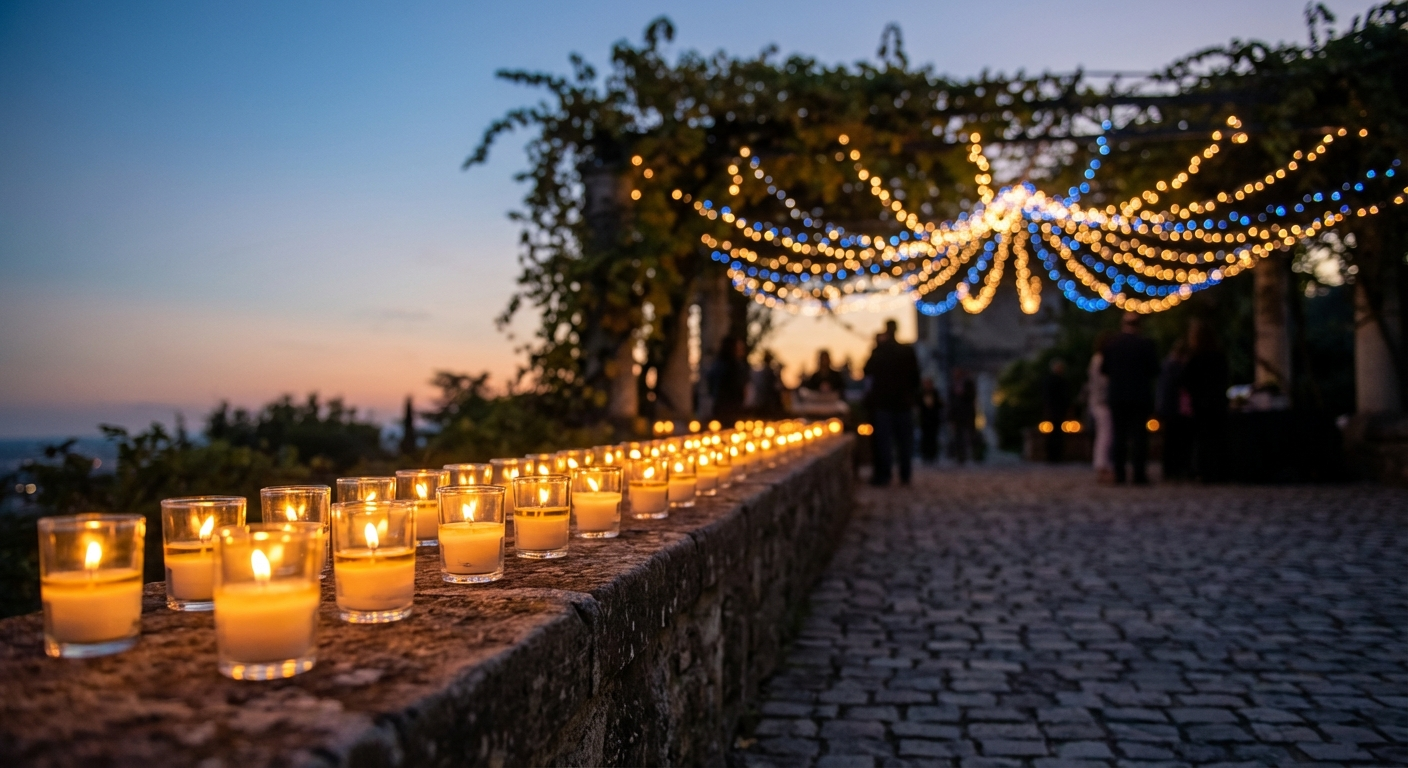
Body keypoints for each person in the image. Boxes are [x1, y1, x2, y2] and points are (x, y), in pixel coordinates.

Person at [1100, 312, 1160, 484]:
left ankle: (1119, 474)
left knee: (1119, 435)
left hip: (1118, 396)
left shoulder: (1112, 344)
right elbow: (1154, 369)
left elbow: (1104, 369)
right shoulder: (1145, 344)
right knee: (1140, 436)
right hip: (1139, 396)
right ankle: (1139, 475)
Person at [863, 319, 920, 486]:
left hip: (885, 404)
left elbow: (867, 370)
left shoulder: (881, 351)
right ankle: (905, 474)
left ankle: (885, 475)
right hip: (901, 403)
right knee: (903, 443)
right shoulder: (906, 351)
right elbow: (915, 377)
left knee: (885, 443)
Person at [1181, 320, 1229, 482]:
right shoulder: (1219, 356)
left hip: (1200, 402)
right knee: (1215, 436)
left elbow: (1185, 379)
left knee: (1201, 438)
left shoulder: (1195, 357)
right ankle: (1217, 470)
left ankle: (1202, 470)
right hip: (1216, 401)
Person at [1155, 339, 1192, 481]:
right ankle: (1174, 469)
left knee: (1171, 440)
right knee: (1175, 440)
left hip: (1169, 407)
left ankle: (1171, 469)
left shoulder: (1168, 364)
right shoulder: (1174, 366)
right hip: (1174, 408)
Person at [1088, 332, 1115, 483]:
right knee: (1105, 434)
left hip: (1098, 400)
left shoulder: (1096, 359)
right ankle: (1102, 464)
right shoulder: (1100, 360)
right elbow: (1102, 382)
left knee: (1104, 434)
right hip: (1101, 401)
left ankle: (1102, 464)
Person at [707, 336, 750, 427]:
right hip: (731, 408)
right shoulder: (734, 366)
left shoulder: (717, 364)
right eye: (739, 347)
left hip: (720, 406)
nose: (742, 350)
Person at [1041, 358, 1071, 463]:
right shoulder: (1052, 381)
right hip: (1054, 411)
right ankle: (1052, 455)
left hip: (1058, 411)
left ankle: (1056, 455)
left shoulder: (1061, 381)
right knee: (1053, 434)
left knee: (1057, 434)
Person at [948, 367, 978, 464]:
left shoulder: (968, 383)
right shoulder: (953, 385)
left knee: (970, 434)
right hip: (957, 415)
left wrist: (963, 393)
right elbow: (951, 402)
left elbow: (972, 396)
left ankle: (974, 455)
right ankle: (961, 456)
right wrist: (950, 417)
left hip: (967, 413)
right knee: (958, 436)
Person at [918, 377, 944, 465]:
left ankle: (933, 455)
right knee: (925, 438)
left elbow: (940, 404)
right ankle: (925, 455)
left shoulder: (935, 393)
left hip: (934, 420)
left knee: (933, 438)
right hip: (925, 420)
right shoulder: (921, 393)